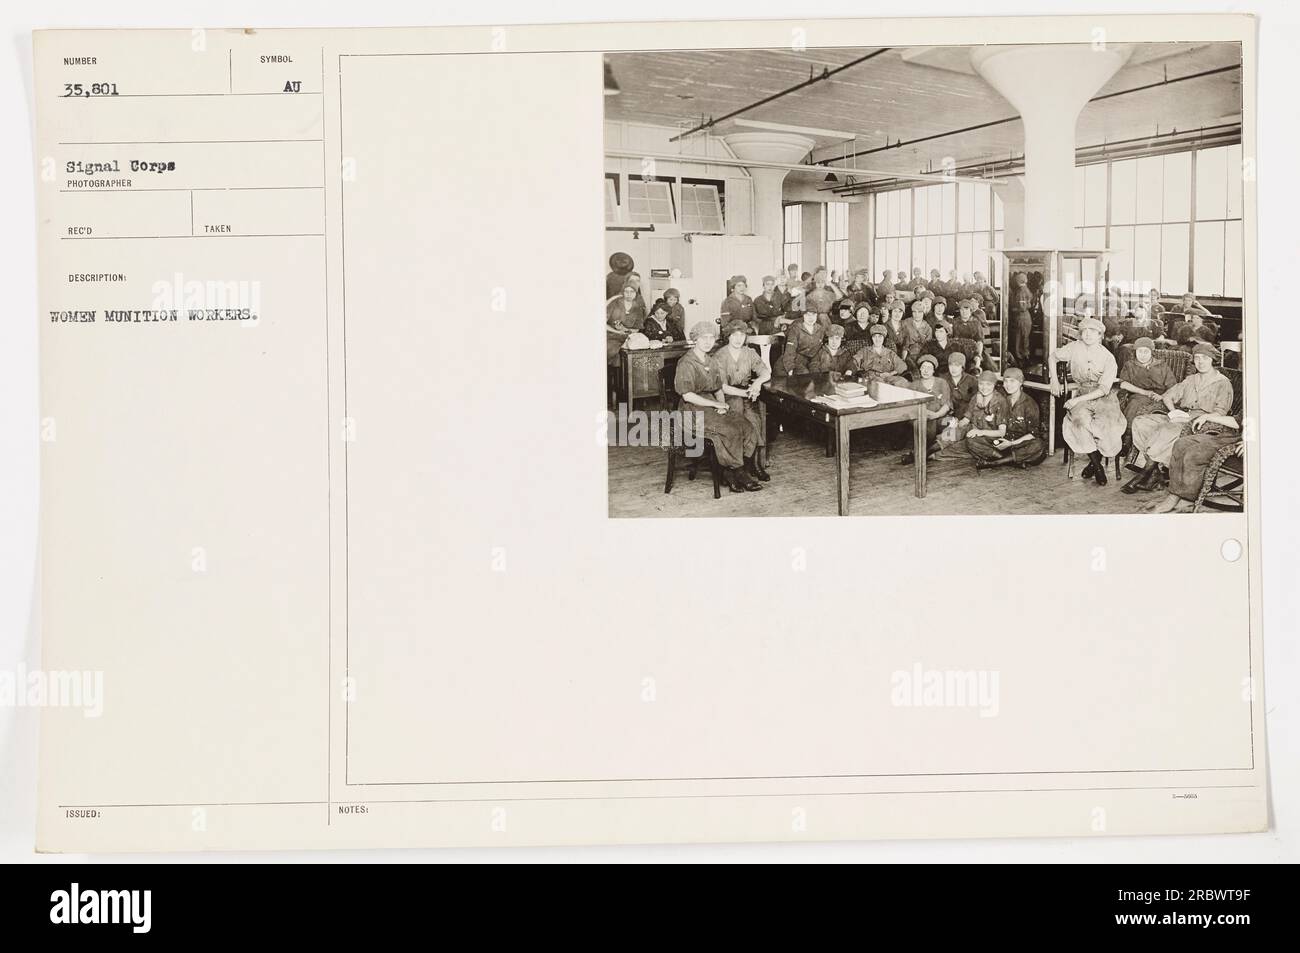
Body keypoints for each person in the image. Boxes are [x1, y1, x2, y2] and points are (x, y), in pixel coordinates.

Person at [1124, 343, 1234, 494]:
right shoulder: (1190, 379)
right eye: (1197, 358)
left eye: (1205, 358)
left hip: (1204, 422)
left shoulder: (1222, 383)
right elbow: (1168, 396)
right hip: (1182, 415)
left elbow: (1221, 412)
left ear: (1212, 360)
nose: (1200, 362)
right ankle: (1155, 470)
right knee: (1141, 422)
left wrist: (1204, 417)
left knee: (1165, 430)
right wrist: (1174, 411)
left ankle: (1146, 471)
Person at [674, 321, 764, 493]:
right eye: (703, 338)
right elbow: (687, 395)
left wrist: (722, 405)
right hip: (692, 410)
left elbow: (717, 388)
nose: (708, 342)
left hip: (710, 405)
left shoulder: (710, 360)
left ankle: (734, 471)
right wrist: (715, 403)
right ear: (695, 339)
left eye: (711, 338)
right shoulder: (686, 362)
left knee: (746, 426)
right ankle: (737, 472)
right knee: (729, 430)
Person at [1052, 315, 1124, 486]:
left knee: (1107, 424)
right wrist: (1054, 380)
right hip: (1082, 391)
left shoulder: (1108, 358)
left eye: (1093, 332)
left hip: (1104, 397)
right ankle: (1098, 467)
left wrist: (1076, 401)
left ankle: (1094, 462)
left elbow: (1103, 389)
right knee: (1079, 422)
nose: (1088, 335)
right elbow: (1053, 357)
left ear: (1100, 335)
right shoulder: (1074, 347)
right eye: (1084, 331)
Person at [1146, 413, 1243, 513]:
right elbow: (1239, 421)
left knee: (1195, 453)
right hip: (1235, 437)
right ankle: (1176, 491)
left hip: (1245, 452)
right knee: (1181, 444)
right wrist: (1207, 417)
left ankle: (1176, 496)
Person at [715, 318, 772, 477]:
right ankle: (738, 466)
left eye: (742, 335)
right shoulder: (720, 356)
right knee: (739, 418)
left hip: (746, 393)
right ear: (728, 336)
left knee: (754, 419)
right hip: (726, 396)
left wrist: (757, 384)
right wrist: (747, 392)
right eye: (734, 335)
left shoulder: (749, 352)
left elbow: (765, 372)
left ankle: (753, 463)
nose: (738, 339)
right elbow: (722, 387)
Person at [969, 368, 1046, 469]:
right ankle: (1012, 460)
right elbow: (985, 388)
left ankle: (994, 463)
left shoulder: (1030, 404)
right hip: (1002, 440)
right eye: (1006, 381)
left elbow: (1033, 434)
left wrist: (1011, 443)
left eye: (1012, 381)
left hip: (1020, 443)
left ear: (1021, 382)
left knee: (1038, 445)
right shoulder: (1002, 397)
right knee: (972, 441)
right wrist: (979, 395)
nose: (1008, 385)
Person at [898, 353, 952, 465]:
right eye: (923, 367)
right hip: (921, 417)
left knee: (953, 424)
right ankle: (927, 452)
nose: (925, 370)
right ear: (920, 370)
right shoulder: (914, 385)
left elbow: (947, 405)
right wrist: (927, 414)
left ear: (934, 370)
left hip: (940, 416)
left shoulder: (942, 382)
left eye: (929, 368)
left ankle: (920, 453)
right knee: (927, 422)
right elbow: (911, 406)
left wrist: (936, 415)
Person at [1117, 336, 1178, 430]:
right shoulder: (1129, 365)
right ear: (1135, 352)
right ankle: (1128, 433)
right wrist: (1144, 392)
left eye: (1146, 351)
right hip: (1138, 395)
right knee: (1133, 405)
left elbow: (1173, 386)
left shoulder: (1161, 365)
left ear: (1152, 352)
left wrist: (1162, 396)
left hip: (1162, 396)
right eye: (1139, 351)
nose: (1143, 355)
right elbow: (1123, 384)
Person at [780, 309, 831, 375]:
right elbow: (790, 351)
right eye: (808, 315)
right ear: (803, 316)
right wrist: (790, 369)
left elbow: (821, 349)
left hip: (812, 362)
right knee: (804, 376)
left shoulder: (820, 329)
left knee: (818, 375)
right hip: (796, 360)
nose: (811, 318)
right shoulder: (796, 329)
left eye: (813, 315)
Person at [897, 299, 934, 369]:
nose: (917, 315)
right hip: (905, 355)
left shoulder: (927, 328)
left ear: (924, 313)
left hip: (921, 356)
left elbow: (929, 347)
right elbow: (900, 341)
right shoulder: (905, 323)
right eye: (914, 312)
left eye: (920, 312)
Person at [943, 352, 978, 424]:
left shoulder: (972, 380)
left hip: (966, 416)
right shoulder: (943, 379)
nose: (953, 368)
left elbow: (975, 400)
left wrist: (966, 418)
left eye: (957, 365)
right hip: (947, 415)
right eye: (951, 365)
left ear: (962, 367)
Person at [1008, 272, 1033, 367]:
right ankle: (1025, 357)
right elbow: (1029, 304)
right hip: (1026, 317)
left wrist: (1013, 309)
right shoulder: (1027, 290)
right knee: (1024, 338)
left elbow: (1022, 307)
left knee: (1019, 339)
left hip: (1021, 317)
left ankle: (1021, 359)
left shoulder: (1021, 291)